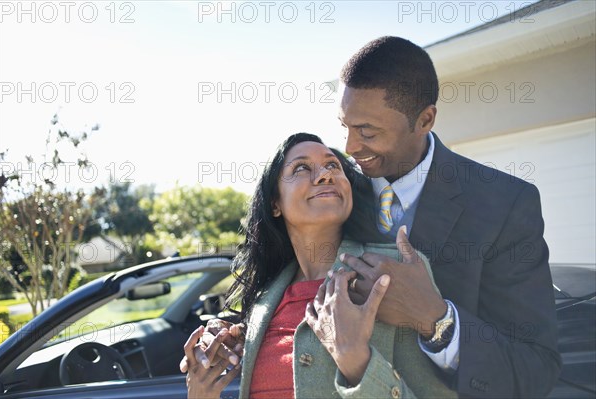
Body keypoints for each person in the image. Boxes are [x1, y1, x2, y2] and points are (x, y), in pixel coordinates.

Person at [336, 36, 561, 397]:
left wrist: (436, 320)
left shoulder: (505, 204)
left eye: (367, 132)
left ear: (425, 119)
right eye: (344, 126)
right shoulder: (332, 188)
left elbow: (535, 368)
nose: (349, 147)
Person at [182, 133, 457, 398]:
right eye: (301, 168)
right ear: (274, 203)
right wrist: (202, 392)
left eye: (333, 165)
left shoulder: (391, 272)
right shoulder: (263, 304)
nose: (325, 175)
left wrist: (357, 361)